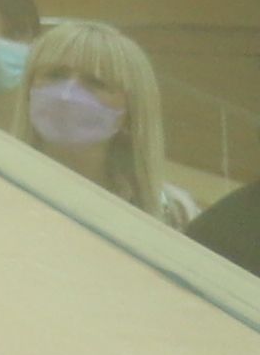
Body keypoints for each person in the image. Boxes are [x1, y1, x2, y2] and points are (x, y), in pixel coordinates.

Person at [12, 17, 197, 220]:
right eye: (55, 75)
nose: (67, 94)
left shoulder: (172, 213)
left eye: (95, 83)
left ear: (131, 113)